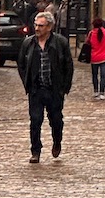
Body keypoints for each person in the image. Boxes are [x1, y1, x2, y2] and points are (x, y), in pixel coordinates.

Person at [16, 9, 73, 164]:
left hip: (54, 89)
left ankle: (57, 140)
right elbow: (21, 64)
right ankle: (35, 151)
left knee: (55, 119)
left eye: (41, 26)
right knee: (35, 120)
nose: (37, 28)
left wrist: (64, 88)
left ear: (49, 27)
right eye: (36, 25)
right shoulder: (29, 43)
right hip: (36, 89)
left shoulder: (60, 43)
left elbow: (68, 66)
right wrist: (27, 83)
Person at [87, 14, 105, 99]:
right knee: (103, 76)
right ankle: (102, 92)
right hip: (104, 58)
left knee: (94, 75)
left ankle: (96, 91)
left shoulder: (91, 33)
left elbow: (87, 43)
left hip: (94, 58)